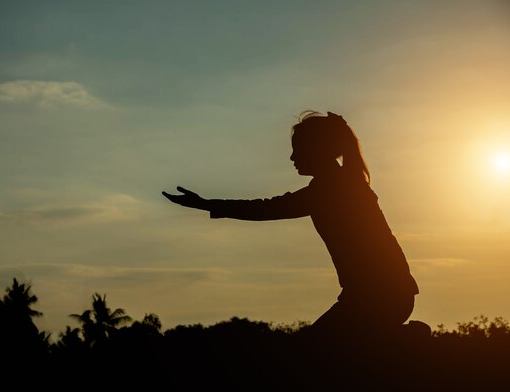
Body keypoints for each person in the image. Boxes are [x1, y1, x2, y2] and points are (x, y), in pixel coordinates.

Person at [162, 111, 419, 339]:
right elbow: (267, 208)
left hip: (379, 297)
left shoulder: (332, 189)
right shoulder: (340, 183)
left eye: (298, 149)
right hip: (380, 295)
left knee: (308, 357)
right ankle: (401, 339)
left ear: (317, 150)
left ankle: (407, 341)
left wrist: (206, 204)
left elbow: (265, 208)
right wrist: (208, 205)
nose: (292, 157)